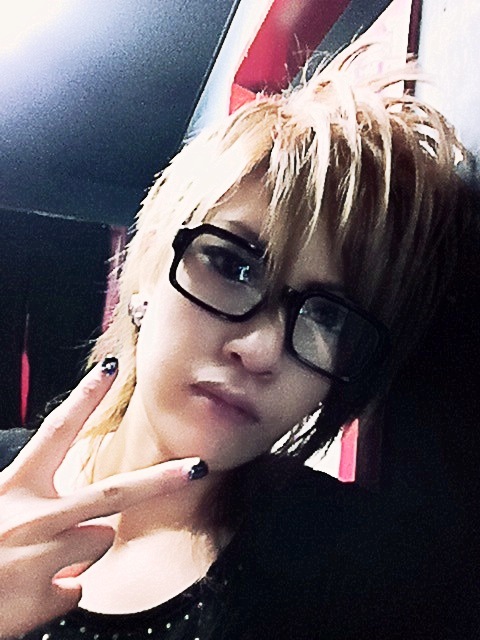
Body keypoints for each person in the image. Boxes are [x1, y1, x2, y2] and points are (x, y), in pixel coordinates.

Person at [0, 48, 477, 639]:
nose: (260, 350)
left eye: (328, 318)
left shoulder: (356, 581)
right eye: (232, 265)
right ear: (146, 273)